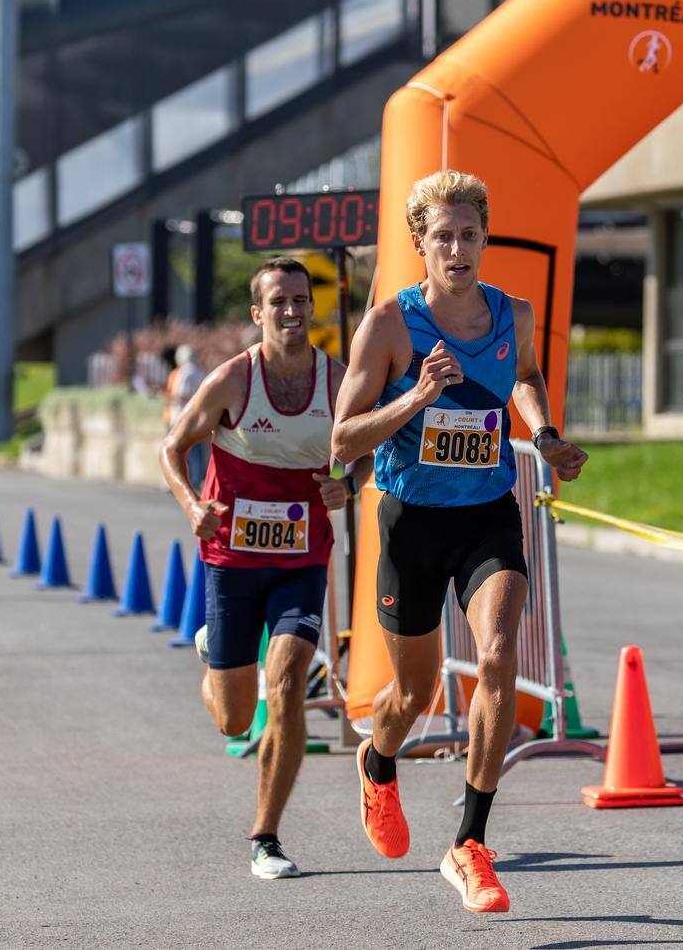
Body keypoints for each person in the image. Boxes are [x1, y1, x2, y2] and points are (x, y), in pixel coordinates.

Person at [331, 170, 587, 913]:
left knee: (499, 653)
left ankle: (470, 842)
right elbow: (343, 438)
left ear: (484, 237)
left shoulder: (514, 313)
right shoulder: (388, 326)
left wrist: (544, 433)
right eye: (442, 236)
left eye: (469, 234)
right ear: (420, 244)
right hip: (411, 522)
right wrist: (416, 396)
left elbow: (527, 378)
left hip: (486, 514)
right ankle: (378, 763)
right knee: (413, 694)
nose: (457, 248)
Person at [160, 256, 369, 880]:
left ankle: (266, 837)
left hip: (302, 559)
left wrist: (348, 485)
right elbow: (172, 447)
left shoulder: (339, 381)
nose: (292, 310)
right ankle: (213, 651)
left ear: (313, 307)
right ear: (258, 313)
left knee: (285, 687)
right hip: (231, 559)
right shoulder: (231, 381)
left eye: (301, 299)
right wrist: (193, 504)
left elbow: (370, 446)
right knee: (233, 715)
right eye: (278, 301)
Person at [164, 343, 208, 487]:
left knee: (180, 450)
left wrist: (167, 396)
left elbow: (181, 395)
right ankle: (197, 478)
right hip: (198, 416)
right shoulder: (201, 371)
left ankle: (185, 480)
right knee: (196, 450)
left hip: (181, 416)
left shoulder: (184, 372)